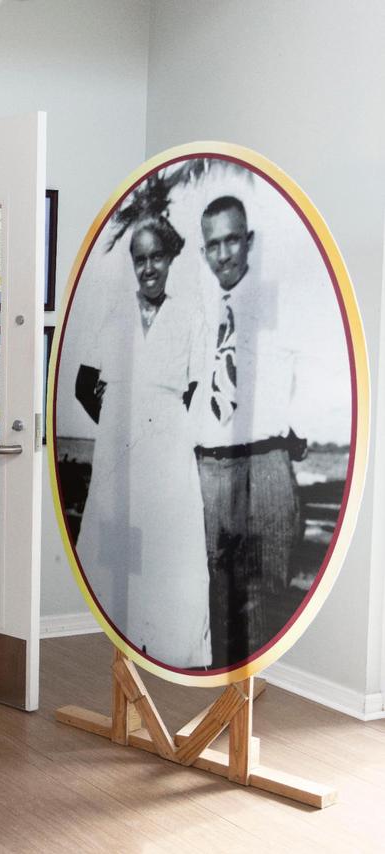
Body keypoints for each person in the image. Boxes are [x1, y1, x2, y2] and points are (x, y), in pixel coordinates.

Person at [74, 216, 211, 668]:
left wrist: (163, 429)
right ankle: (115, 634)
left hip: (168, 445)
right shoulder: (117, 315)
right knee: (115, 532)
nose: (148, 267)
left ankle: (172, 646)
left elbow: (196, 390)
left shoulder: (190, 316)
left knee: (168, 540)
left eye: (156, 256)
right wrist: (118, 424)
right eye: (140, 259)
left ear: (170, 257)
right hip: (120, 444)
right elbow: (82, 384)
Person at [194, 196, 304, 669]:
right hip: (211, 470)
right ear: (204, 251)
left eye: (232, 240)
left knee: (262, 599)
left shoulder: (278, 307)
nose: (224, 254)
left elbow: (296, 389)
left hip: (265, 467)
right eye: (213, 244)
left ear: (249, 241)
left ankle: (253, 711)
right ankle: (219, 709)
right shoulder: (197, 317)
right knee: (215, 599)